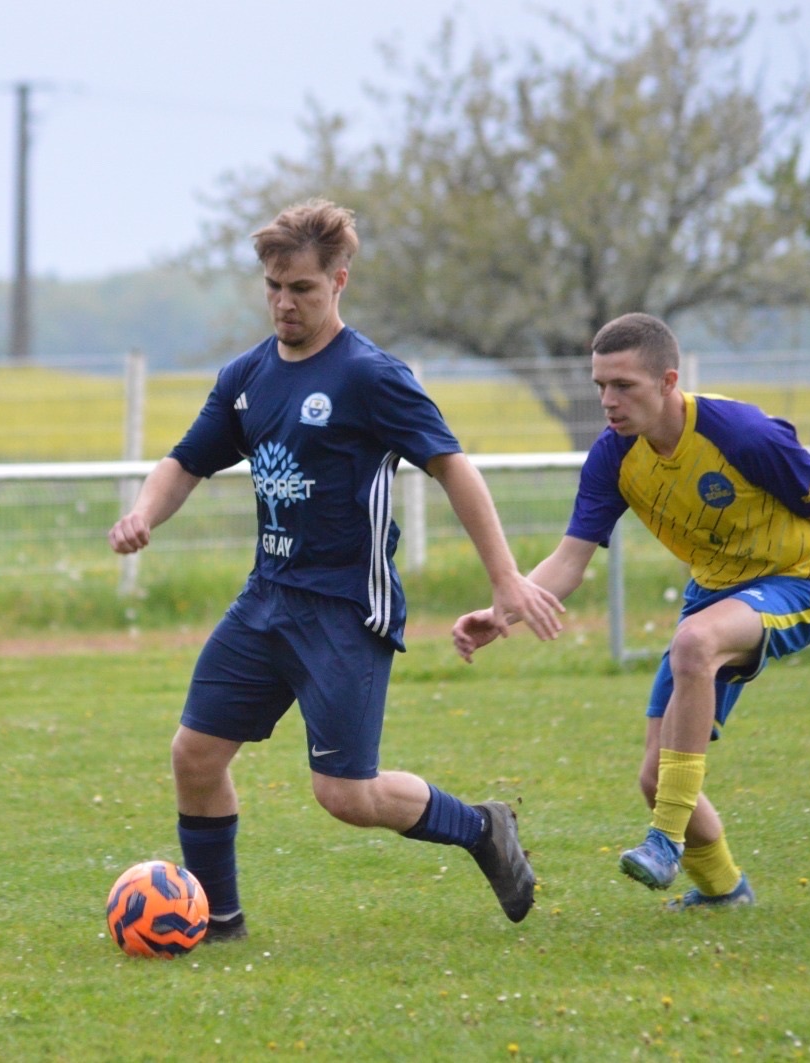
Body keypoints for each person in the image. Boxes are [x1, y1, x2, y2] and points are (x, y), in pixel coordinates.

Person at [107, 198, 566, 937]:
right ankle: (217, 919)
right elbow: (185, 460)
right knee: (194, 754)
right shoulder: (247, 376)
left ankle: (482, 827)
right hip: (267, 598)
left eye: (303, 289)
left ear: (339, 281)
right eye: (274, 287)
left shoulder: (370, 376)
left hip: (345, 609)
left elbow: (453, 467)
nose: (284, 303)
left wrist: (506, 577)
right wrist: (143, 514)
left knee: (346, 795)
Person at [453, 311, 810, 909]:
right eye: (600, 386)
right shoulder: (613, 457)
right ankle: (724, 893)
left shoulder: (741, 434)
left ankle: (663, 841)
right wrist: (501, 611)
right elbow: (569, 561)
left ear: (668, 382)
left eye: (623, 386)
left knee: (694, 642)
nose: (608, 401)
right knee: (655, 777)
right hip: (713, 593)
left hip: (796, 581)